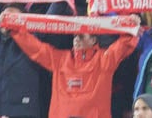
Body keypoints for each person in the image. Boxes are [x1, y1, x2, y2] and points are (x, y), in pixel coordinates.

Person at [8, 22, 142, 118]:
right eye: (74, 36)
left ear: (94, 40)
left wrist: (130, 22)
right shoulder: (60, 59)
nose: (76, 39)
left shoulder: (104, 60)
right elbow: (36, 49)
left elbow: (125, 42)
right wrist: (15, 29)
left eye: (81, 36)